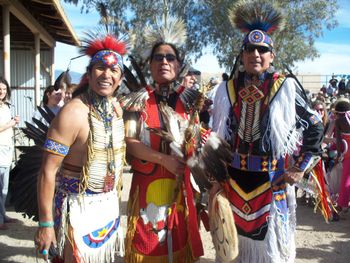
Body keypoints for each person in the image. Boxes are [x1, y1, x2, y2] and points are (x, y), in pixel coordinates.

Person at [211, 1, 324, 262]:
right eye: (250, 49)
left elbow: (315, 125)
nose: (256, 54)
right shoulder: (226, 90)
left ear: (272, 55)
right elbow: (218, 138)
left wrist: (300, 166)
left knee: (270, 251)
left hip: (271, 182)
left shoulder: (284, 87)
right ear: (242, 55)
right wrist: (216, 178)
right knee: (234, 248)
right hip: (234, 182)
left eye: (263, 49)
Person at [34, 33, 127, 262]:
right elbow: (47, 171)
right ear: (89, 73)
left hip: (107, 206)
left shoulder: (116, 109)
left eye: (114, 70)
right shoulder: (72, 113)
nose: (107, 74)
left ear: (120, 78)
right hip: (76, 207)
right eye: (100, 67)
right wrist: (46, 224)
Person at [123, 19, 204, 262]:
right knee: (147, 242)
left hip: (182, 187)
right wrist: (164, 159)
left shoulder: (191, 101)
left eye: (170, 57)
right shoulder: (137, 100)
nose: (164, 62)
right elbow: (130, 141)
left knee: (180, 242)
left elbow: (198, 138)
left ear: (179, 65)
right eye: (158, 58)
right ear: (150, 64)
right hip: (147, 184)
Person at [0, 77, 20, 230]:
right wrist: (10, 124)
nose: (2, 92)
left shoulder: (6, 106)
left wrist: (13, 122)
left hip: (7, 149)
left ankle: (3, 215)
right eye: (0, 89)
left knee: (4, 188)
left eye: (4, 89)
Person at [334, 99, 350, 217]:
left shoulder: (338, 121)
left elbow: (339, 142)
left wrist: (338, 155)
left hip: (347, 153)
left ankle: (340, 206)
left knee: (346, 181)